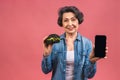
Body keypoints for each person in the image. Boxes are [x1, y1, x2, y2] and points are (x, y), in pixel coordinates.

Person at [41, 6, 107, 80]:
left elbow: (89, 75)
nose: (70, 23)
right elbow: (46, 70)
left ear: (78, 21)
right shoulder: (55, 43)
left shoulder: (87, 44)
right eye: (66, 20)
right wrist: (46, 55)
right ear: (61, 23)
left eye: (73, 19)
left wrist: (92, 61)